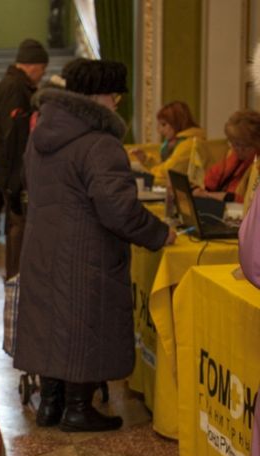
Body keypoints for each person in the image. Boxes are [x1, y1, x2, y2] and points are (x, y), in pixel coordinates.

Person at [13, 59, 176, 431]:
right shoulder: (100, 142)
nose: (117, 103)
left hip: (42, 245)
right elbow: (119, 209)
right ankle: (77, 408)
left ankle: (50, 404)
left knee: (51, 321)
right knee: (83, 322)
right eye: (115, 95)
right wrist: (158, 233)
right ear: (99, 95)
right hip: (85, 250)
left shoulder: (41, 134)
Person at [0, 38, 48, 278]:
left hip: (14, 171)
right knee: (19, 229)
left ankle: (17, 282)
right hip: (15, 173)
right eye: (42, 69)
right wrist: (15, 182)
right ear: (33, 66)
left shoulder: (14, 85)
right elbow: (14, 136)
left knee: (19, 228)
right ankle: (16, 284)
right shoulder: (15, 88)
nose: (42, 75)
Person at [131, 100, 206, 187]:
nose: (159, 130)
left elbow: (168, 173)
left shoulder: (189, 144)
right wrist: (146, 160)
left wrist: (143, 177)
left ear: (177, 123)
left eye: (163, 124)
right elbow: (165, 168)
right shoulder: (177, 142)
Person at [193, 110, 260, 203]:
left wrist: (227, 197)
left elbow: (251, 202)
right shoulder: (235, 157)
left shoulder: (256, 167)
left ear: (255, 143)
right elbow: (211, 178)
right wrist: (200, 190)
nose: (234, 148)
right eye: (232, 142)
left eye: (239, 144)